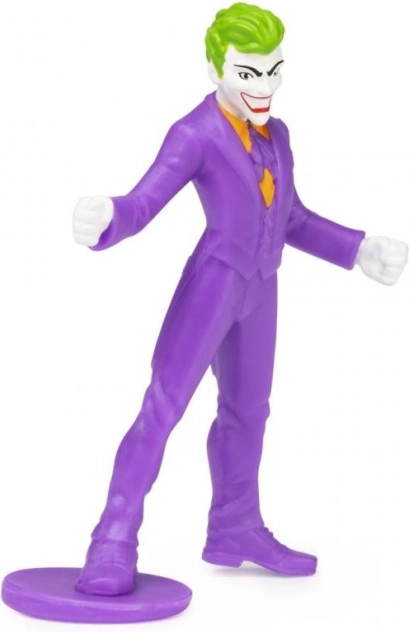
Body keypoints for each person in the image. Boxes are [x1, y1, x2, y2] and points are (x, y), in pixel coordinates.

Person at [72, 3, 408, 596]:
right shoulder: (194, 133)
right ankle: (112, 538)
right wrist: (109, 218)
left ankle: (235, 527)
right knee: (163, 406)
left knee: (249, 412)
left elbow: (291, 217)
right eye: (248, 73)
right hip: (214, 285)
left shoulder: (278, 135)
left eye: (274, 70)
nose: (264, 86)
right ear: (215, 69)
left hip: (261, 289)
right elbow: (144, 202)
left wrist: (358, 249)